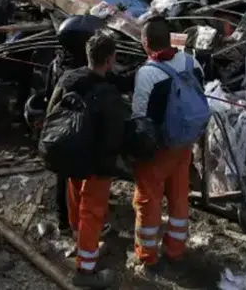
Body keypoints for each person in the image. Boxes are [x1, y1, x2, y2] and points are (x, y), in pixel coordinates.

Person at [47, 33, 128, 288]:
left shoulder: (69, 79)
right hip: (96, 164)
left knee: (76, 203)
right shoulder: (107, 94)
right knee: (92, 213)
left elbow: (52, 111)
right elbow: (115, 135)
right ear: (111, 59)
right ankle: (86, 270)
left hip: (71, 155)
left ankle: (80, 243)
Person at [131, 16, 204, 269]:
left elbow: (140, 117)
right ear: (170, 39)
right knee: (179, 196)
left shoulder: (148, 73)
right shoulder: (191, 62)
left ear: (145, 42)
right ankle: (175, 250)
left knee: (148, 201)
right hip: (183, 145)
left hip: (158, 150)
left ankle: (146, 255)